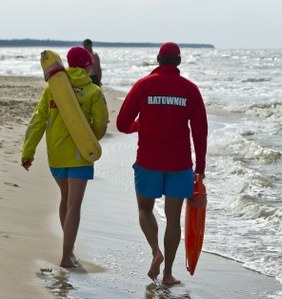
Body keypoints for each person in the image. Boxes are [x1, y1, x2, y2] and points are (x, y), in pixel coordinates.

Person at [116, 42, 208, 285]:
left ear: (158, 59)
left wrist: (140, 125)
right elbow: (200, 131)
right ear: (178, 62)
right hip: (179, 165)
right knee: (174, 219)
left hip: (148, 162)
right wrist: (201, 167)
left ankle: (156, 251)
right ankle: (167, 274)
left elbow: (122, 124)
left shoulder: (143, 85)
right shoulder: (190, 89)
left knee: (145, 209)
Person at [21, 47, 109, 267]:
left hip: (56, 154)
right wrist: (88, 140)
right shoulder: (93, 92)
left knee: (65, 199)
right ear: (89, 66)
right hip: (80, 155)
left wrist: (28, 152)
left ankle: (68, 250)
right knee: (74, 205)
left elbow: (38, 120)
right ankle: (66, 256)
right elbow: (100, 125)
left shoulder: (53, 89)